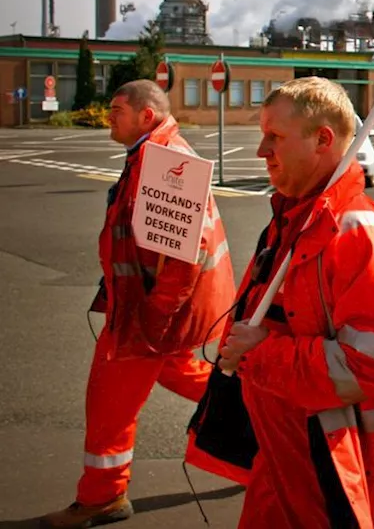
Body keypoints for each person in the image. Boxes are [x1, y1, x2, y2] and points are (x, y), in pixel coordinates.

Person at [214, 77, 374, 528]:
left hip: (354, 478)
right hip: (294, 464)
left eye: (275, 137)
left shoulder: (361, 235)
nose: (261, 151)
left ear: (323, 139)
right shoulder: (293, 221)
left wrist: (260, 354)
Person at [42, 80, 235, 528]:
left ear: (146, 115)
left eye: (117, 109)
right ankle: (266, 422)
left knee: (108, 401)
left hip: (148, 315)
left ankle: (102, 496)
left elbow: (185, 257)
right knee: (185, 373)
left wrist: (152, 319)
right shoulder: (153, 155)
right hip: (150, 310)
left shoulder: (168, 162)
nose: (109, 116)